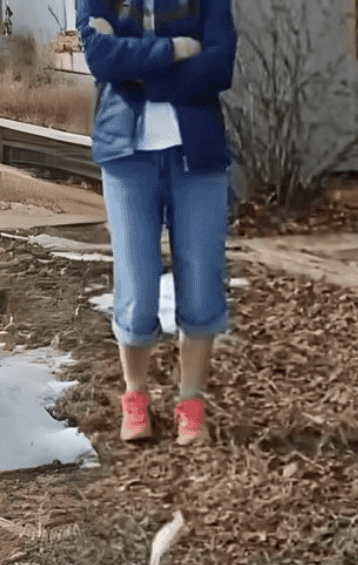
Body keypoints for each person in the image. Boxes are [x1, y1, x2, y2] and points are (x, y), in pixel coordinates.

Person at [77, 0, 237, 445]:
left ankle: (191, 407)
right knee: (136, 284)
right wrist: (175, 50)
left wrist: (141, 68)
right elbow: (101, 59)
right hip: (126, 156)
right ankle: (136, 400)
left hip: (198, 154)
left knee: (203, 282)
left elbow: (220, 64)